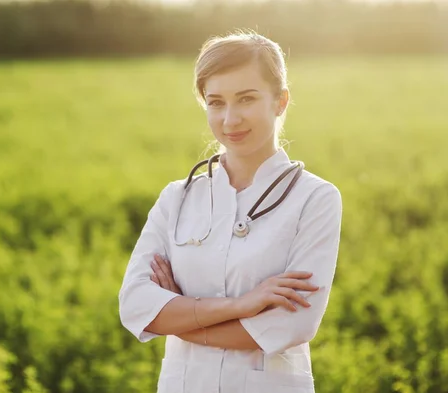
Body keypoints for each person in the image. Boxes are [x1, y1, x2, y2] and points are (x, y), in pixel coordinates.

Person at [118, 31, 343, 393]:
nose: (230, 119)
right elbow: (135, 306)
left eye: (246, 99)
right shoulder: (177, 198)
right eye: (216, 102)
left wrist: (180, 315)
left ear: (280, 101)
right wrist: (242, 305)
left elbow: (293, 325)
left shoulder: (314, 199)